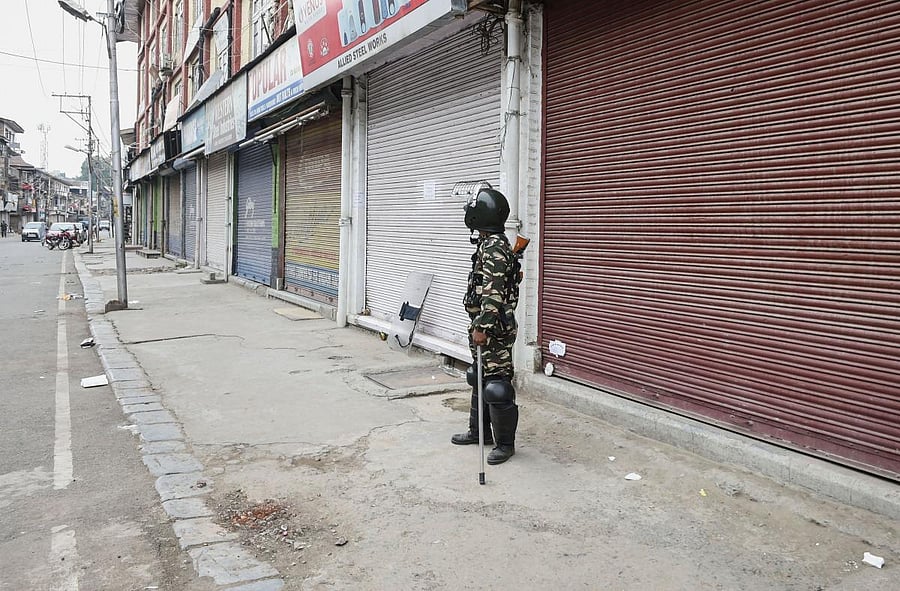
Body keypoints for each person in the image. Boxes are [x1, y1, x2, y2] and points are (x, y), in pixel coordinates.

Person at [451, 188, 525, 465]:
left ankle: (505, 445)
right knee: (479, 376)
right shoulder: (488, 243)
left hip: (494, 327)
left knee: (497, 385)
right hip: (484, 322)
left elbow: (492, 294)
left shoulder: (495, 247)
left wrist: (482, 326)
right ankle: (478, 432)